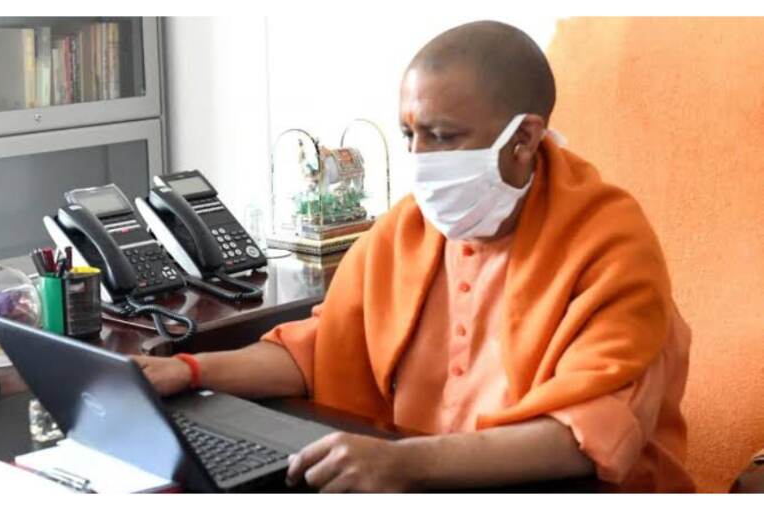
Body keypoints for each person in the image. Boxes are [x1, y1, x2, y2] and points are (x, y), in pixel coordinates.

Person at [135, 20, 694, 493]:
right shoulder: (408, 227)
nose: (421, 161)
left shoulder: (611, 244)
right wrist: (188, 370)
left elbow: (583, 435)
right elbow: (322, 350)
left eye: (442, 136)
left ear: (523, 139)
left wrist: (402, 464)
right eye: (409, 135)